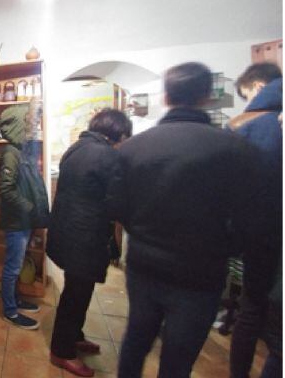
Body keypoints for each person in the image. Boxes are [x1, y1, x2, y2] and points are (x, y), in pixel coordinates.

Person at [107, 62, 267, 378]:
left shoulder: (134, 148)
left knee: (135, 341)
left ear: (166, 97)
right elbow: (251, 218)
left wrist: (140, 231)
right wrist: (225, 246)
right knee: (178, 359)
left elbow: (116, 206)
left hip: (144, 265)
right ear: (207, 96)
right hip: (201, 273)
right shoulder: (235, 148)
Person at [48, 109, 132, 377]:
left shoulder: (76, 148)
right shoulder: (106, 155)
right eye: (124, 138)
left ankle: (74, 336)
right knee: (75, 295)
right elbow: (117, 200)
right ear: (117, 134)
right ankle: (62, 352)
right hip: (84, 238)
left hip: (68, 234)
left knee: (76, 291)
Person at [228, 63, 282, 378]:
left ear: (258, 87)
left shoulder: (244, 126)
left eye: (247, 95)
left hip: (258, 235)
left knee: (251, 310)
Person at [0, 104, 43, 330]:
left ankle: (15, 299)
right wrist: (29, 207)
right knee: (12, 267)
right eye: (27, 122)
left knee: (16, 264)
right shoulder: (10, 153)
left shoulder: (19, 151)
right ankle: (10, 311)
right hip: (16, 221)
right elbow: (6, 189)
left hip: (22, 219)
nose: (31, 126)